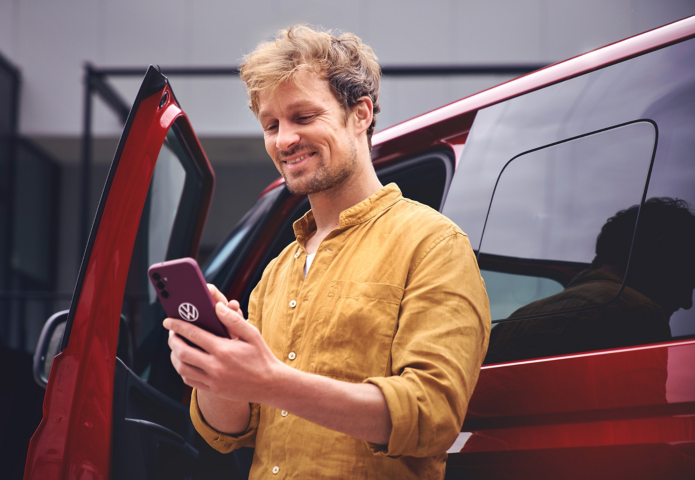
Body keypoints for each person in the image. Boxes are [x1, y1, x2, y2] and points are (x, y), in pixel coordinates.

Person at [163, 25, 490, 479]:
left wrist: (270, 381)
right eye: (271, 125)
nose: (283, 140)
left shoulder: (432, 244)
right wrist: (216, 372)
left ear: (360, 114)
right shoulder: (276, 272)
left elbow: (430, 416)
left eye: (303, 116)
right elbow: (230, 432)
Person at [485, 197, 695, 365]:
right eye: (687, 275)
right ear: (662, 252)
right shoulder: (637, 311)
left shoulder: (516, 319)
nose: (688, 303)